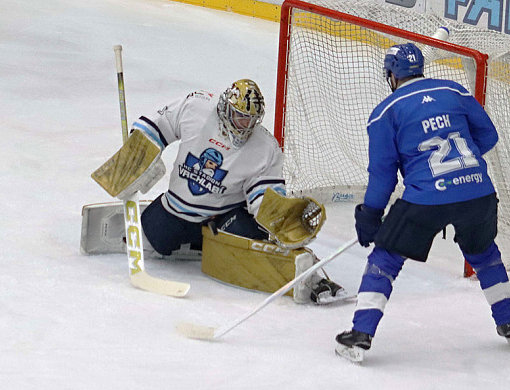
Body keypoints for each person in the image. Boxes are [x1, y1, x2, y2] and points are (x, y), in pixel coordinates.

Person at [334, 44, 510, 362]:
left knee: (386, 258)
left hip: (425, 199)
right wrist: (464, 167)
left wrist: (370, 214)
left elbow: (383, 177)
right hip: (479, 193)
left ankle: (361, 334)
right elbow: (487, 135)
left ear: (392, 75)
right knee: (484, 254)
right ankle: (507, 321)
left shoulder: (384, 112)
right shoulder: (454, 91)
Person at [92, 79, 344, 303]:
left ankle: (310, 276)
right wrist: (136, 153)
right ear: (225, 108)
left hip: (220, 220)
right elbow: (160, 125)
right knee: (152, 241)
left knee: (249, 236)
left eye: (251, 119)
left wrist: (281, 217)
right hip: (175, 211)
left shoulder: (265, 148)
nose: (245, 125)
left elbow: (262, 199)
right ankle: (179, 236)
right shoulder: (197, 109)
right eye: (239, 116)